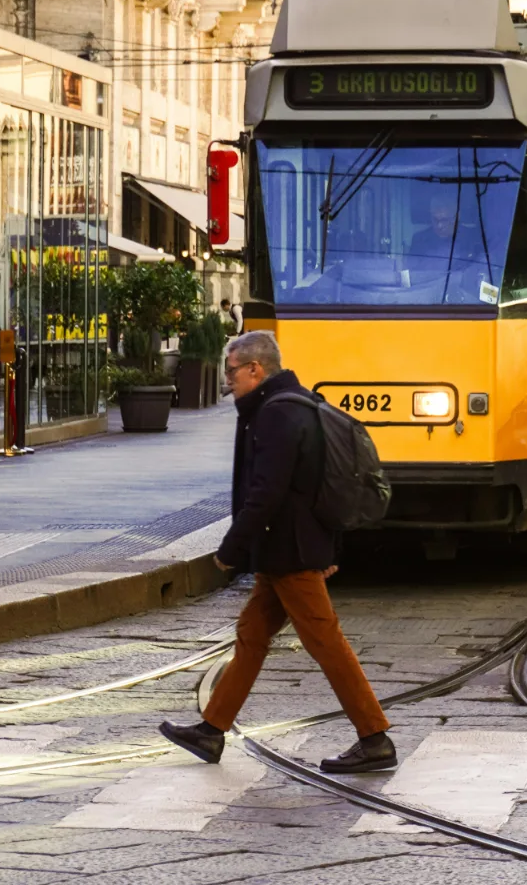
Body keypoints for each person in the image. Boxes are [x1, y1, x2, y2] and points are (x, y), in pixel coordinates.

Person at [159, 330, 396, 774]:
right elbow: (317, 485)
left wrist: (231, 548)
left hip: (290, 552)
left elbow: (266, 492)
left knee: (325, 642)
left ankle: (374, 736)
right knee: (252, 635)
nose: (228, 381)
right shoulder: (293, 404)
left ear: (256, 369)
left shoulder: (276, 414)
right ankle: (212, 730)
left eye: (232, 372)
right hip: (285, 549)